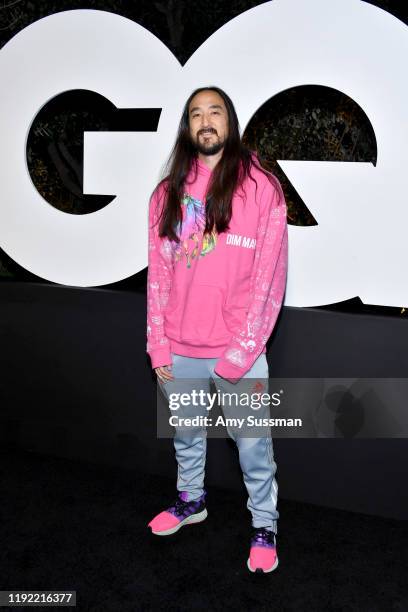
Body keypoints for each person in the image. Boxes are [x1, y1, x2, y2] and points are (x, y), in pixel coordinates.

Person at [146, 86, 288, 573]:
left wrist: (243, 351)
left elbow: (272, 278)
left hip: (238, 352)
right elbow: (158, 273)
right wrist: (157, 344)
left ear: (231, 121)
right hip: (180, 348)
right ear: (188, 127)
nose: (205, 120)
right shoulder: (167, 193)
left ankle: (264, 524)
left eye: (215, 111)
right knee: (186, 435)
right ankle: (192, 501)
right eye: (195, 114)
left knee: (253, 446)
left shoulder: (262, 188)